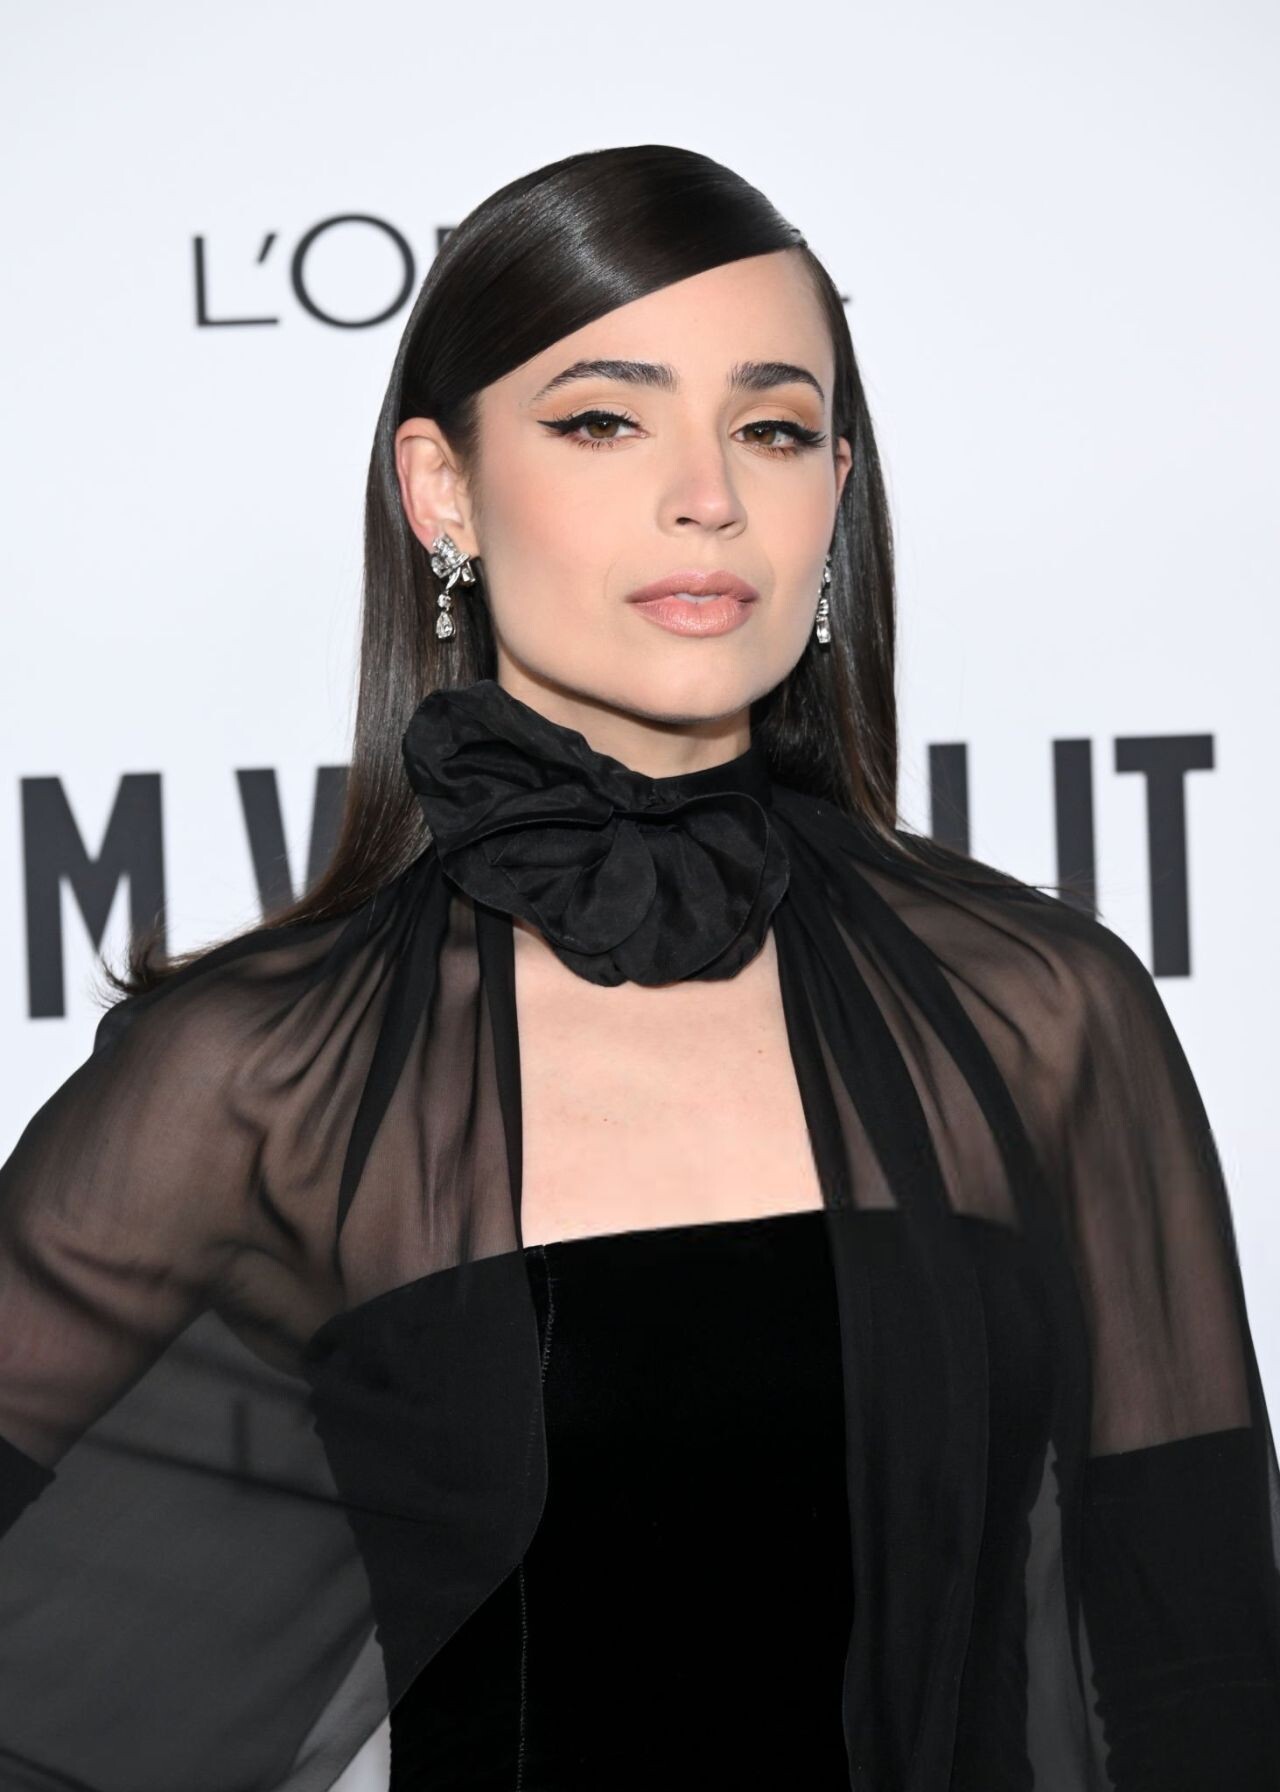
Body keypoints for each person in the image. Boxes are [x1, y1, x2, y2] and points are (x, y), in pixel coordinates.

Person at [1, 142, 1277, 1792]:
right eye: (605, 420)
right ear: (444, 491)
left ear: (835, 488)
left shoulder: (1038, 1012)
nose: (709, 496)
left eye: (774, 427)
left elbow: (1201, 1674)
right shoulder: (268, 1073)